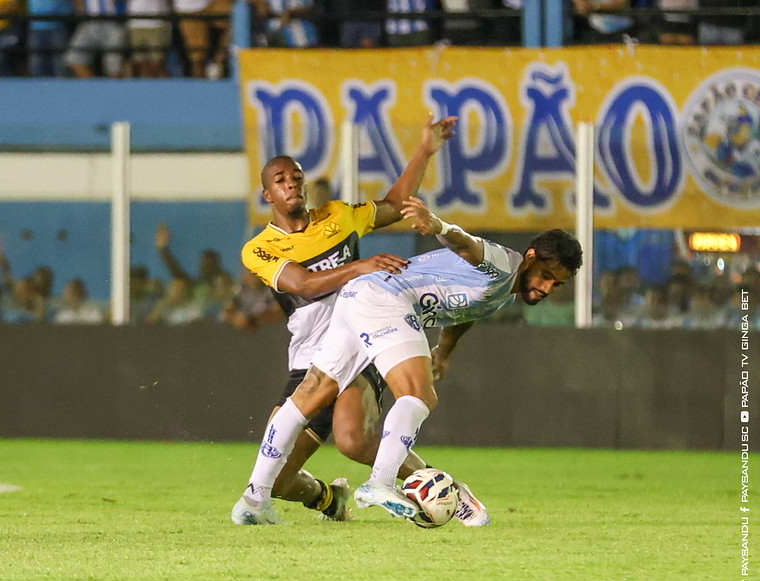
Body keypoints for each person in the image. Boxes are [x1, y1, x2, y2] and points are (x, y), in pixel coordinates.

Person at [232, 196, 582, 524]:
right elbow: (468, 246)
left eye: (557, 285)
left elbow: (467, 311)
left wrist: (443, 352)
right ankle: (379, 483)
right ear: (532, 256)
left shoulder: (504, 290)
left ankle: (254, 499)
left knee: (311, 393)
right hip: (388, 299)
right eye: (547, 276)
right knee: (419, 393)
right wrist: (440, 227)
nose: (547, 289)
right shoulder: (506, 263)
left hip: (358, 295)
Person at [233, 113, 480, 525]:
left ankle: (446, 492)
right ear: (266, 195)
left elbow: (397, 205)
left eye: (296, 176)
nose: (291, 183)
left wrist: (424, 150)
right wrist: (359, 267)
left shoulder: (338, 216)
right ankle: (327, 497)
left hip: (363, 341)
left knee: (352, 439)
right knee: (277, 480)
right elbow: (305, 285)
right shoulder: (258, 248)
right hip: (311, 357)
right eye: (280, 180)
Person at [155, 222, 229, 305]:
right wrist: (163, 249)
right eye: (203, 263)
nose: (204, 267)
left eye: (209, 264)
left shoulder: (224, 283)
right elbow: (178, 274)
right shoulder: (197, 285)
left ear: (217, 265)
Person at [64, 0, 127, 78]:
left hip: (112, 22)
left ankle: (116, 89)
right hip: (90, 22)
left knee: (114, 66)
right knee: (73, 59)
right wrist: (80, 15)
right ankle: (93, 87)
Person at [26, 0, 73, 77]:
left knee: (60, 66)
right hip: (35, 27)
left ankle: (61, 87)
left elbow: (69, 8)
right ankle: (38, 87)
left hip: (57, 26)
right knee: (36, 65)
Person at [127, 0, 172, 77]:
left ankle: (169, 88)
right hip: (135, 22)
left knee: (158, 63)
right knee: (141, 64)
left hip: (156, 23)